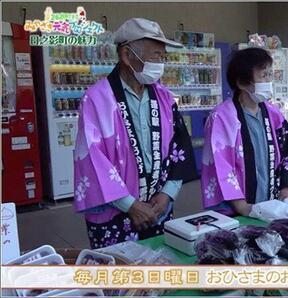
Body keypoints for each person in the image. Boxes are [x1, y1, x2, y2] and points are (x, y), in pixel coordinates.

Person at [74, 18, 197, 248]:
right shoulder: (96, 99)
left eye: (163, 56)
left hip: (157, 207)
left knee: (158, 271)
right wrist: (130, 205)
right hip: (115, 212)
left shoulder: (165, 97)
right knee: (120, 278)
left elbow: (179, 147)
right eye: (155, 55)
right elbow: (92, 159)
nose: (161, 63)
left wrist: (168, 193)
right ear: (126, 55)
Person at [201, 48, 288, 216]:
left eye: (270, 75)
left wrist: (286, 189)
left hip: (272, 206)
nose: (269, 81)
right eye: (264, 75)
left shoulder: (273, 113)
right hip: (240, 209)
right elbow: (220, 166)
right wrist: (242, 206)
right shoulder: (222, 117)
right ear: (242, 82)